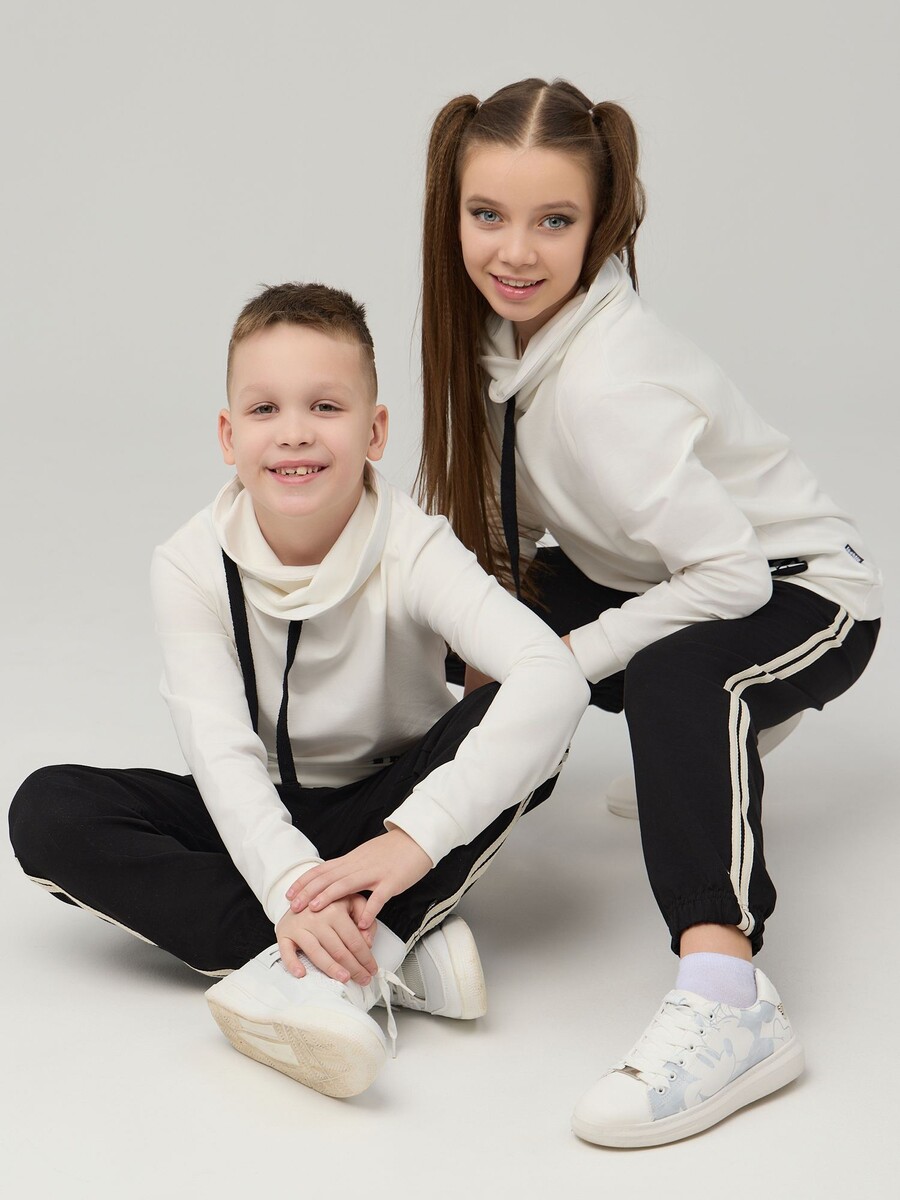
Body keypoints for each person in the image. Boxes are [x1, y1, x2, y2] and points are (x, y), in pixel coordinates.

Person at [418, 77, 882, 1147]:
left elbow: (732, 581)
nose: (515, 252)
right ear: (452, 212)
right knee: (447, 605)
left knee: (680, 676)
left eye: (555, 221)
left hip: (804, 589)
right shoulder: (499, 345)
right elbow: (496, 538)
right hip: (652, 571)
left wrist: (564, 659)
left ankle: (731, 999)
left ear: (602, 224)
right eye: (487, 214)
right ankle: (402, 860)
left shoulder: (607, 385)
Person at [8, 281, 589, 1100]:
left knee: (526, 719)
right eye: (264, 409)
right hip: (260, 810)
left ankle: (330, 965)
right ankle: (384, 947)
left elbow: (551, 676)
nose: (294, 433)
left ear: (374, 431)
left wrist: (414, 838)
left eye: (325, 406)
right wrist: (287, 887)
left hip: (387, 804)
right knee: (49, 808)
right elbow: (221, 753)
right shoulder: (188, 564)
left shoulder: (413, 546)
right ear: (228, 435)